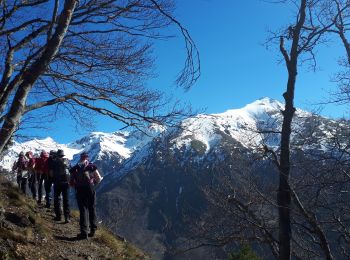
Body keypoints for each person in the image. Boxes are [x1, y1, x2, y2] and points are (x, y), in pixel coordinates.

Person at [70, 152, 102, 239]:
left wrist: (77, 186)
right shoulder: (91, 167)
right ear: (87, 158)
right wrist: (92, 184)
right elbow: (99, 179)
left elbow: (71, 182)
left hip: (80, 190)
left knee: (83, 210)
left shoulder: (75, 168)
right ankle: (93, 230)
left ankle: (84, 232)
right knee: (92, 208)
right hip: (90, 189)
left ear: (80, 158)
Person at [51, 149, 71, 223]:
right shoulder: (67, 161)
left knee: (57, 199)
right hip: (66, 182)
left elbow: (51, 173)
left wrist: (53, 179)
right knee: (66, 200)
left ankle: (58, 216)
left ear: (57, 155)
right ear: (63, 155)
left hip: (57, 182)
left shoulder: (54, 162)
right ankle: (67, 217)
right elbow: (70, 170)